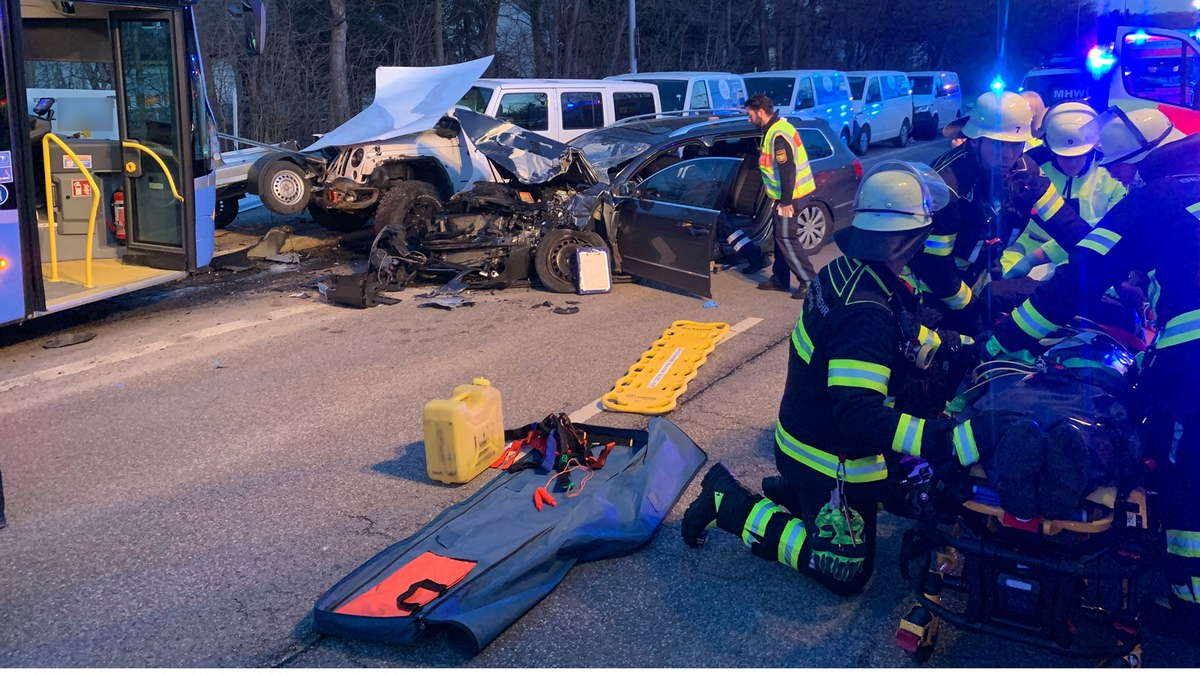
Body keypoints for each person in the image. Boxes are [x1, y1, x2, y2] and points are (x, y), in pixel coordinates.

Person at [680, 161, 997, 595]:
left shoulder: (852, 272)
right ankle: (729, 502)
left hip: (809, 432)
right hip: (826, 457)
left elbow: (900, 330)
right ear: (911, 240)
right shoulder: (865, 312)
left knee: (908, 490)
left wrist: (957, 346)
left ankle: (795, 493)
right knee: (844, 572)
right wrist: (943, 439)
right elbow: (859, 417)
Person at [982, 106, 1199, 627]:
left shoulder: (1149, 198)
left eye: (1123, 168)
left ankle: (1189, 611)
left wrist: (1001, 340)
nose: (1120, 177)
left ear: (1144, 159)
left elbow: (1078, 277)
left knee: (1186, 481)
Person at [910, 91, 1082, 333]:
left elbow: (1068, 225)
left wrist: (1104, 267)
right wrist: (971, 308)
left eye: (1016, 145)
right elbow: (935, 266)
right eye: (999, 145)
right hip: (931, 291)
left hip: (981, 275)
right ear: (974, 140)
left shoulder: (1026, 174)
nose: (1009, 156)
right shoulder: (945, 184)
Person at [1002, 101, 1127, 279]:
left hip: (1085, 251)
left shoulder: (1113, 175)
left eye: (1078, 155)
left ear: (1093, 148)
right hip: (1029, 245)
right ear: (1050, 149)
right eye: (1063, 156)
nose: (1071, 163)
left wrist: (1036, 258)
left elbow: (1106, 228)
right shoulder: (1031, 169)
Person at [745, 93, 818, 300]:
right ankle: (780, 278)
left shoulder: (777, 134)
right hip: (790, 194)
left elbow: (787, 170)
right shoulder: (776, 128)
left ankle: (809, 280)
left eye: (749, 115)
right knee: (780, 236)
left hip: (791, 195)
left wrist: (786, 202)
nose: (748, 119)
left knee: (786, 237)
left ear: (760, 112)